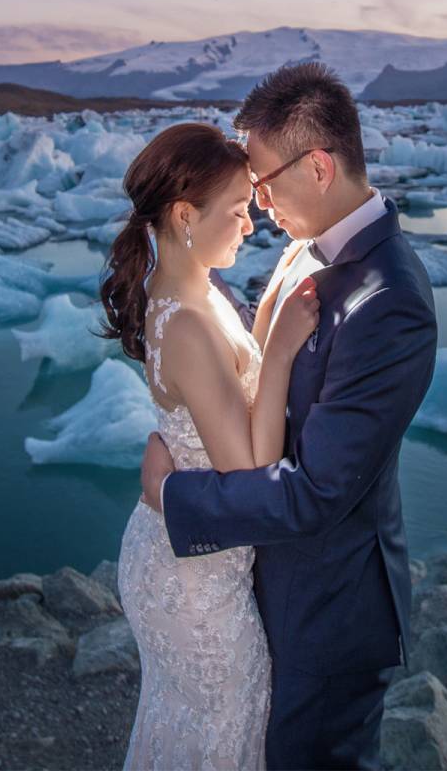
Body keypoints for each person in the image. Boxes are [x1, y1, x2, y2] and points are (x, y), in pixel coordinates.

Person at [140, 62, 439, 770]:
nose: (260, 201)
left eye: (265, 181)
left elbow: (318, 492)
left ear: (320, 167)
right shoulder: (310, 245)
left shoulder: (389, 302)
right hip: (268, 587)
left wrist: (173, 495)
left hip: (327, 611)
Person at [106, 120, 322, 769]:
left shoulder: (186, 289)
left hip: (181, 553)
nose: (250, 225)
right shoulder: (187, 324)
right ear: (184, 215)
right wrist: (280, 351)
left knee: (187, 729)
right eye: (236, 210)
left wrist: (266, 319)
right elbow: (250, 476)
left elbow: (227, 383)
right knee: (226, 724)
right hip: (194, 584)